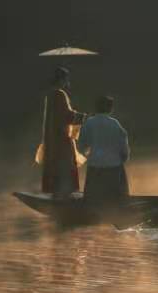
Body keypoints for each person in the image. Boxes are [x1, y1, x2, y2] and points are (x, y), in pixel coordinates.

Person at [40, 67, 87, 198]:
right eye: (66, 79)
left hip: (53, 137)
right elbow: (65, 115)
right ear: (62, 80)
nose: (67, 81)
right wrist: (80, 116)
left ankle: (57, 191)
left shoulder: (50, 94)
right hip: (61, 137)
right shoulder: (59, 94)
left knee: (56, 162)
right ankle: (64, 192)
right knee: (65, 162)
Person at [78, 95, 130, 204]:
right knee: (119, 198)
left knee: (92, 200)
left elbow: (81, 145)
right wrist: (123, 157)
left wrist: (90, 156)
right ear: (110, 108)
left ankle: (92, 207)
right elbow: (123, 144)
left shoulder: (89, 123)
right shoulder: (115, 123)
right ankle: (121, 206)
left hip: (95, 167)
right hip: (114, 167)